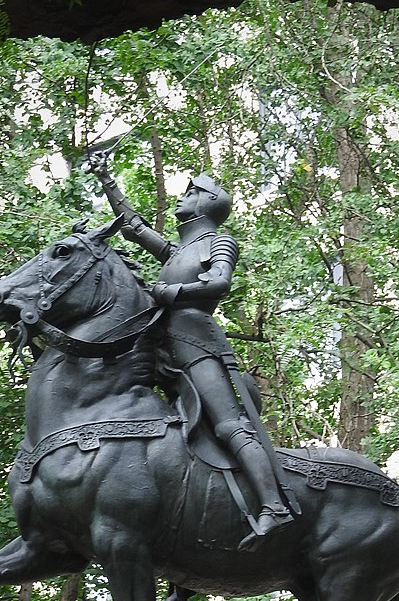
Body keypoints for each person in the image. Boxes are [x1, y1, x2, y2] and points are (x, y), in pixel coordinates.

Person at [86, 153, 293, 549]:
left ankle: (274, 506)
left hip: (197, 341)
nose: (182, 197)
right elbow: (133, 226)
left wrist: (171, 291)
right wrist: (106, 177)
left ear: (206, 202)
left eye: (191, 192)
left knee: (228, 424)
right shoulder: (177, 251)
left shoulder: (219, 241)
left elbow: (219, 283)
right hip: (163, 345)